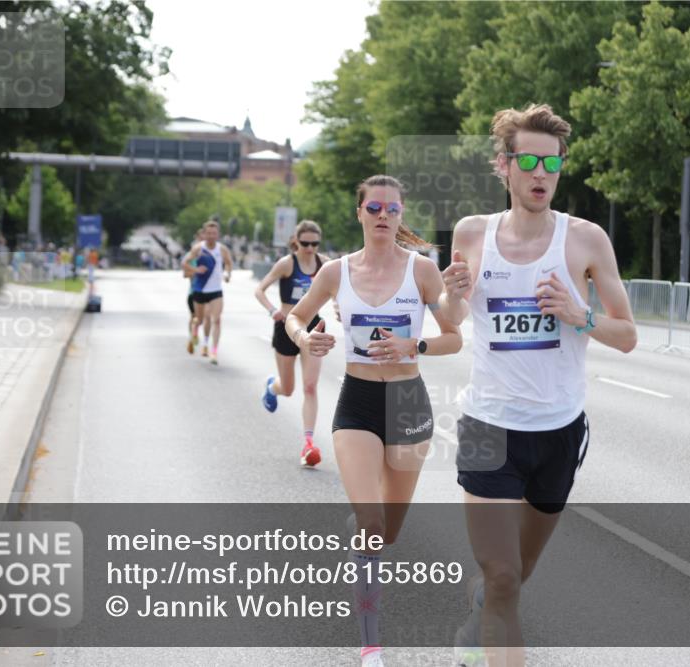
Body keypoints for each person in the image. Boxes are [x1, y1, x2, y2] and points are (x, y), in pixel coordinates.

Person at [438, 104, 637, 667]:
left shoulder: (586, 239)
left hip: (558, 432)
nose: (541, 173)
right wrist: (452, 293)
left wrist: (580, 315)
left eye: (552, 162)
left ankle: (480, 613)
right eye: (528, 161)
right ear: (504, 166)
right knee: (503, 576)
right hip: (488, 427)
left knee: (515, 575)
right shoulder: (471, 233)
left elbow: (627, 336)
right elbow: (452, 320)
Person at [285, 175, 462, 667]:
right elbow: (295, 317)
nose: (384, 215)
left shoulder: (421, 270)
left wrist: (414, 344)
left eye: (393, 209)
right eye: (375, 208)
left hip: (408, 403)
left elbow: (454, 337)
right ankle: (370, 646)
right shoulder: (336, 272)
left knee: (387, 533)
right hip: (358, 403)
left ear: (401, 215)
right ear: (360, 213)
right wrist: (305, 338)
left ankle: (369, 529)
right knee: (370, 525)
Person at [256, 220, 332, 466]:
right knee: (288, 388)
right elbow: (260, 290)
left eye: (314, 244)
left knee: (310, 387)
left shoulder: (325, 264)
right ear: (296, 241)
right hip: (287, 326)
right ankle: (272, 388)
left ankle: (308, 443)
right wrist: (273, 311)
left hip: (314, 326)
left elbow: (341, 291)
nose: (309, 248)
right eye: (305, 243)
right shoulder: (286, 264)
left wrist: (340, 307)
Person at [182, 221, 232, 364]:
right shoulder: (198, 248)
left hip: (216, 290)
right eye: (209, 233)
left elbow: (229, 263)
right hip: (199, 290)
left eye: (214, 233)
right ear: (204, 234)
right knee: (199, 320)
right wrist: (196, 270)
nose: (211, 236)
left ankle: (214, 351)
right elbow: (184, 263)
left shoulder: (222, 249)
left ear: (218, 234)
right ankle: (194, 332)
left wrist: (227, 274)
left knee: (216, 320)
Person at [184, 229, 210, 354]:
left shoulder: (213, 254)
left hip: (210, 292)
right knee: (195, 317)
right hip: (194, 291)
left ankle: (205, 345)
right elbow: (185, 274)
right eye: (202, 238)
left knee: (206, 318)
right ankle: (192, 338)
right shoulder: (192, 255)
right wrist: (197, 272)